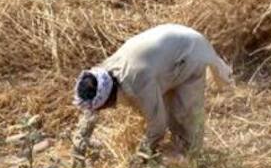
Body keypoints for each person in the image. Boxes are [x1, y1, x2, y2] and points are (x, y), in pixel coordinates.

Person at [72, 24, 234, 154]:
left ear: (109, 99)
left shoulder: (137, 84)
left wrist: (142, 154)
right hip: (170, 42)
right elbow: (91, 108)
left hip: (190, 53)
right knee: (163, 106)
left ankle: (191, 160)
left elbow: (158, 126)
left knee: (184, 119)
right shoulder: (103, 72)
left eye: (103, 107)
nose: (103, 110)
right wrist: (81, 141)